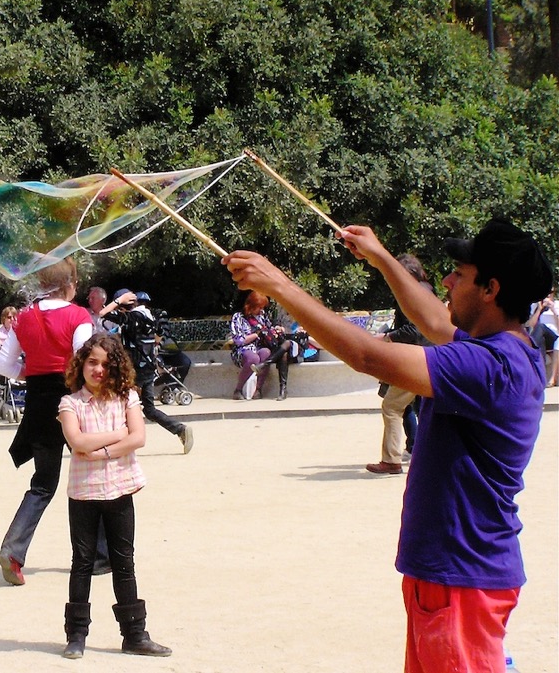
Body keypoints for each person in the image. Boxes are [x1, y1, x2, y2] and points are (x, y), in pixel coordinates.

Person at [222, 218, 553, 673]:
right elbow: (433, 318)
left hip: (461, 577)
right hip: (457, 573)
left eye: (460, 273)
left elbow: (368, 356)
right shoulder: (507, 350)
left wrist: (279, 285)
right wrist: (379, 256)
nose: (447, 281)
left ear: (491, 289)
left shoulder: (489, 364)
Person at [58, 333, 172, 659]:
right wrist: (119, 434)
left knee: (124, 562)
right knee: (82, 563)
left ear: (116, 369)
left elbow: (139, 438)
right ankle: (76, 635)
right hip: (84, 493)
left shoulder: (127, 398)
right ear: (81, 364)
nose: (98, 370)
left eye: (106, 365)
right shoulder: (71, 404)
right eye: (92, 362)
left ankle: (135, 634)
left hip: (120, 489)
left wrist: (104, 450)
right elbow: (77, 441)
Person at [0, 257, 94, 586]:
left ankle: (13, 549)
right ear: (69, 285)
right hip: (74, 402)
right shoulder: (79, 316)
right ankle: (98, 555)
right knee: (93, 480)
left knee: (42, 485)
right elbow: (86, 361)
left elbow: (4, 366)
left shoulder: (24, 318)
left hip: (38, 404)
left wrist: (29, 373)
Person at [99, 289, 193, 454]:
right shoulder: (151, 316)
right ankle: (180, 429)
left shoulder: (132, 317)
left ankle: (116, 444)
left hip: (134, 371)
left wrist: (119, 300)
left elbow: (102, 314)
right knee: (149, 409)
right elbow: (158, 337)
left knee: (117, 405)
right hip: (148, 369)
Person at [366, 254, 436, 475]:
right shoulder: (426, 289)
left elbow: (414, 330)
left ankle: (392, 459)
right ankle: (418, 452)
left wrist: (386, 337)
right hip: (429, 355)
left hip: (416, 357)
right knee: (420, 407)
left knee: (392, 405)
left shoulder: (413, 292)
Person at [229, 290, 280, 399]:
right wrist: (254, 335)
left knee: (266, 353)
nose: (261, 310)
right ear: (251, 305)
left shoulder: (262, 316)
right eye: (259, 307)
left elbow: (269, 329)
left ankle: (258, 389)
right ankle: (238, 390)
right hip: (242, 350)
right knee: (253, 358)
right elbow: (238, 340)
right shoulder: (238, 317)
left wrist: (275, 331)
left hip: (259, 347)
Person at [526, 290, 558, 387]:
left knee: (540, 328)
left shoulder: (557, 305)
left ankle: (538, 371)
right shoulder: (535, 306)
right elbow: (530, 325)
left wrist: (553, 310)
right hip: (541, 338)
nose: (548, 295)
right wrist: (539, 309)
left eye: (550, 293)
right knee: (539, 331)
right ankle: (540, 374)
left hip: (554, 336)